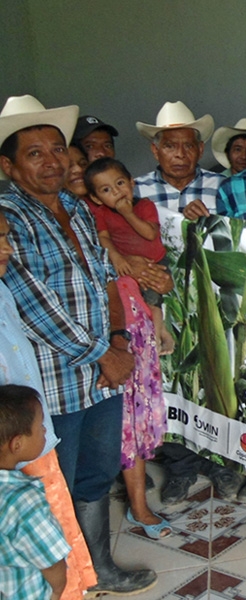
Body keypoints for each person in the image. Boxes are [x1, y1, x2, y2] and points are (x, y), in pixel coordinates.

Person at [0, 94, 156, 594]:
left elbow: (106, 280)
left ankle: (98, 570)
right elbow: (33, 303)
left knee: (96, 474)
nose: (52, 161)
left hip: (104, 372)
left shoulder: (77, 207)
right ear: (8, 167)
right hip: (53, 382)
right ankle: (63, 585)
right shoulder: (8, 218)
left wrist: (119, 340)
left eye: (57, 149)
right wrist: (105, 355)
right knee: (55, 484)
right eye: (35, 153)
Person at [0, 212, 95, 600]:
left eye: (6, 237)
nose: (7, 248)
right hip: (14, 437)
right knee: (37, 533)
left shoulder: (3, 288)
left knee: (54, 515)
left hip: (26, 435)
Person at [84, 158, 175, 355]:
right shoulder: (101, 213)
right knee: (133, 305)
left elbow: (149, 234)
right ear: (96, 198)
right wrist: (117, 257)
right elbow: (103, 238)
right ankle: (143, 339)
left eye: (120, 183)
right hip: (126, 267)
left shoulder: (145, 206)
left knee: (153, 302)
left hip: (155, 263)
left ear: (131, 182)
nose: (116, 192)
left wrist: (128, 213)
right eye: (106, 190)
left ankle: (156, 338)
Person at [0, 385, 70, 600]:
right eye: (40, 426)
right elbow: (50, 560)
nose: (45, 431)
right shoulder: (23, 500)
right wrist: (56, 591)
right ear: (17, 444)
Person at [134, 101, 223, 220]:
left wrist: (206, 222)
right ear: (155, 150)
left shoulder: (222, 186)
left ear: (200, 149)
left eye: (189, 146)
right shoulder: (136, 191)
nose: (180, 154)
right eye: (170, 146)